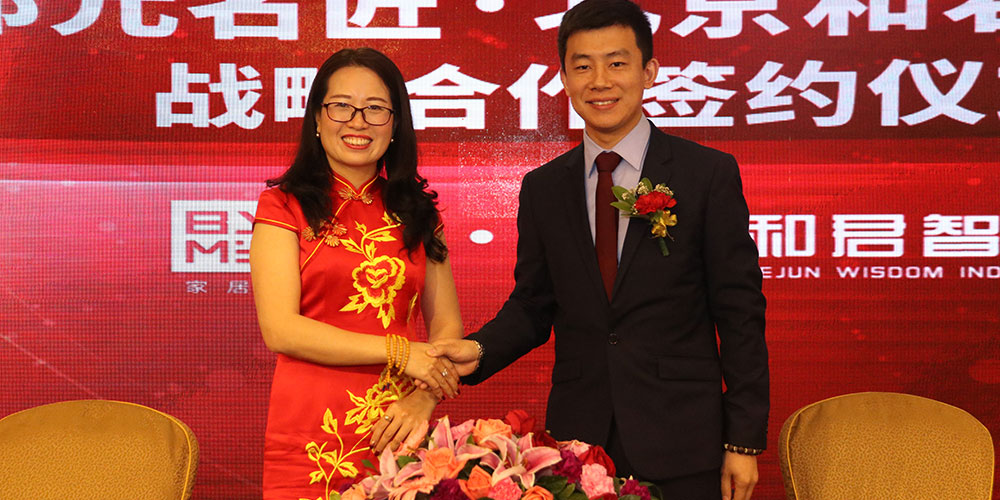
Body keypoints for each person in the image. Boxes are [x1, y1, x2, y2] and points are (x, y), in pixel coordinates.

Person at [428, 2, 768, 500]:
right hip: (579, 447)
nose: (600, 81)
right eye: (583, 66)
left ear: (648, 71)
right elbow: (532, 306)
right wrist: (477, 350)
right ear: (564, 78)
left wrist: (742, 439)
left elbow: (740, 313)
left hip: (683, 440)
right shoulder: (544, 188)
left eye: (617, 62)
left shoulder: (706, 174)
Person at [250, 48, 463, 500]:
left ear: (396, 123)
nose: (358, 122)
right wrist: (401, 352)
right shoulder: (283, 206)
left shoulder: (420, 212)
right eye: (342, 106)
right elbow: (280, 329)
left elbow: (447, 328)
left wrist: (424, 398)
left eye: (376, 109)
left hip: (400, 426)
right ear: (317, 117)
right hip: (310, 433)